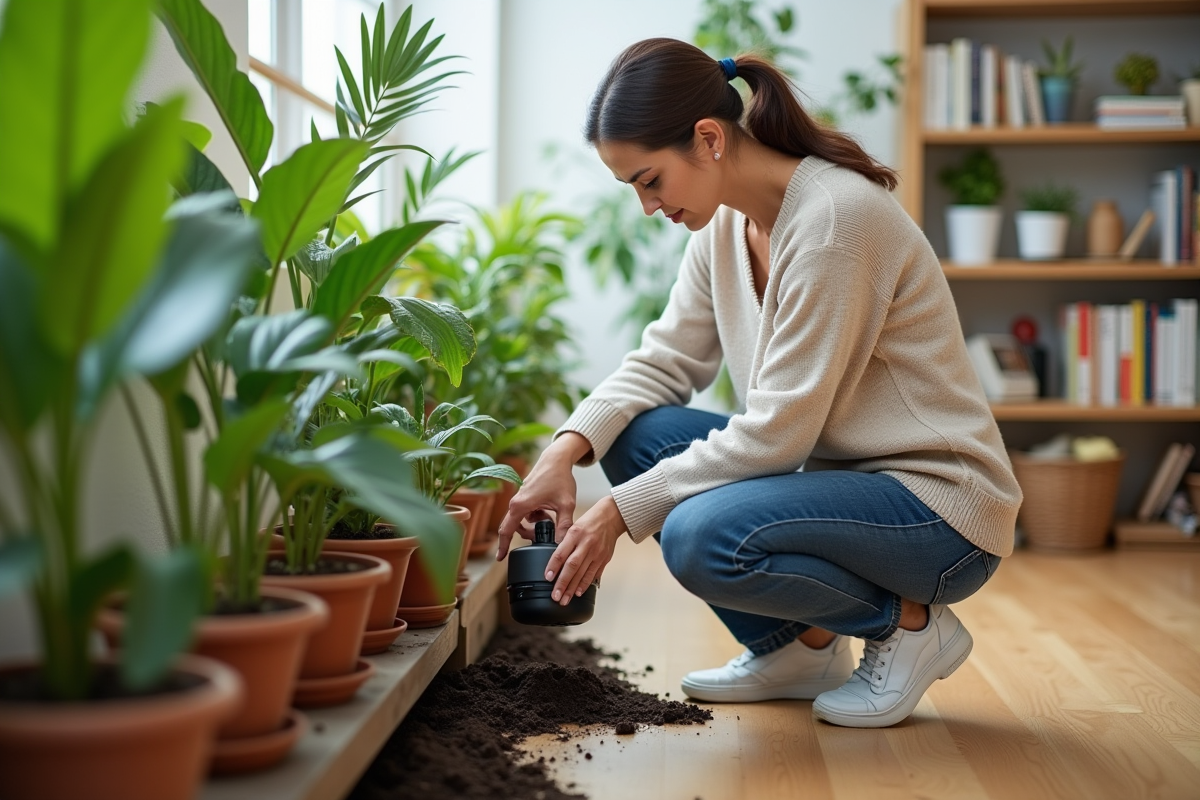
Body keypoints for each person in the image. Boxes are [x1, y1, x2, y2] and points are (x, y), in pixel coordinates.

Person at [497, 38, 1022, 729]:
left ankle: (911, 626)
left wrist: (615, 513)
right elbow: (664, 362)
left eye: (650, 180)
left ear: (708, 139)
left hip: (939, 513)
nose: (647, 208)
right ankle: (798, 650)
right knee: (637, 437)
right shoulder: (725, 233)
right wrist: (562, 453)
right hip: (849, 486)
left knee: (697, 536)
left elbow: (778, 435)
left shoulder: (836, 222)